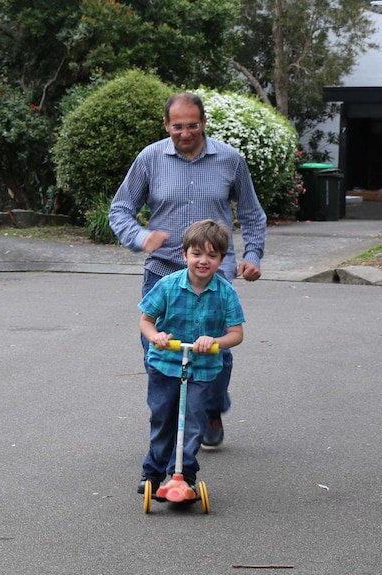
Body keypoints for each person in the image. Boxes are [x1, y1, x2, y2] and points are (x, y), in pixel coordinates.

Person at [109, 91, 266, 449]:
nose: (185, 132)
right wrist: (140, 236)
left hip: (215, 275)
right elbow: (120, 209)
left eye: (192, 125)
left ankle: (210, 407)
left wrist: (253, 255)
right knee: (159, 352)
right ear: (166, 125)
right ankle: (168, 425)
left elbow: (253, 214)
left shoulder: (230, 159)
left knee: (215, 351)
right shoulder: (150, 158)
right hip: (163, 272)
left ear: (204, 122)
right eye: (177, 126)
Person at [136, 219, 245, 494]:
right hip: (165, 365)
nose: (203, 261)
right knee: (163, 419)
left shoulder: (225, 293)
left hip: (203, 370)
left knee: (193, 422)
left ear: (221, 259)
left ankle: (184, 474)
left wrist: (215, 341)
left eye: (212, 255)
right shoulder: (168, 285)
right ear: (184, 255)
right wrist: (155, 337)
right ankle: (152, 472)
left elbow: (236, 334)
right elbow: (146, 321)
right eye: (197, 254)